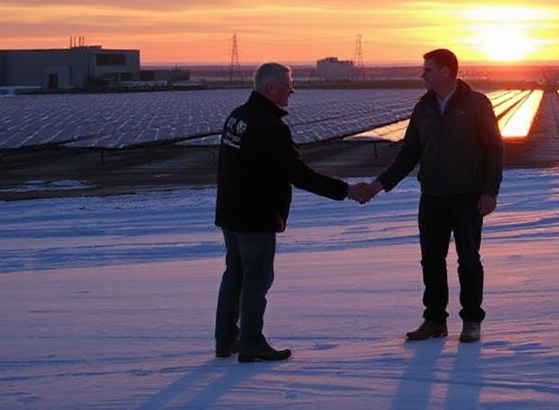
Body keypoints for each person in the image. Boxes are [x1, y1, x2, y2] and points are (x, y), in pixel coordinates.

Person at [214, 62, 370, 362]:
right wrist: (346, 190)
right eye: (288, 84)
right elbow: (298, 173)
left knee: (234, 274)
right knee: (256, 279)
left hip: (231, 212)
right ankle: (251, 343)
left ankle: (226, 340)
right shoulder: (269, 126)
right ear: (271, 88)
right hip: (255, 216)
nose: (292, 90)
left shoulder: (238, 116)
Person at [363, 49, 503, 343]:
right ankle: (435, 320)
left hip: (467, 196)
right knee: (431, 260)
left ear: (446, 71)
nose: (422, 75)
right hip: (432, 196)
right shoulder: (423, 107)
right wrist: (378, 185)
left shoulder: (476, 104)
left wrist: (489, 191)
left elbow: (494, 148)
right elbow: (408, 154)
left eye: (428, 70)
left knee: (468, 259)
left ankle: (472, 321)